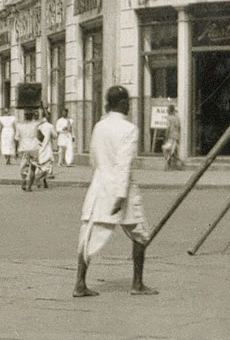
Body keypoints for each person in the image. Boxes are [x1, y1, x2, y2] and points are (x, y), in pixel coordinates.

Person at [74, 85, 156, 298]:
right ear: (122, 103)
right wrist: (120, 195)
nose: (129, 106)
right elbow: (123, 163)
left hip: (99, 187)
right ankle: (137, 284)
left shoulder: (99, 126)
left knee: (89, 235)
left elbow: (93, 158)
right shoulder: (129, 129)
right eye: (127, 102)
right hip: (122, 191)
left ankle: (80, 283)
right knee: (141, 235)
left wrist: (102, 177)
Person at [162, 105, 183, 170]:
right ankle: (174, 165)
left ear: (169, 110)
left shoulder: (169, 118)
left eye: (167, 109)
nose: (167, 111)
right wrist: (178, 136)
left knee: (165, 149)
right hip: (176, 136)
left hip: (170, 136)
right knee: (173, 151)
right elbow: (179, 127)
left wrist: (166, 136)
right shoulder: (177, 118)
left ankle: (169, 165)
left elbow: (168, 128)